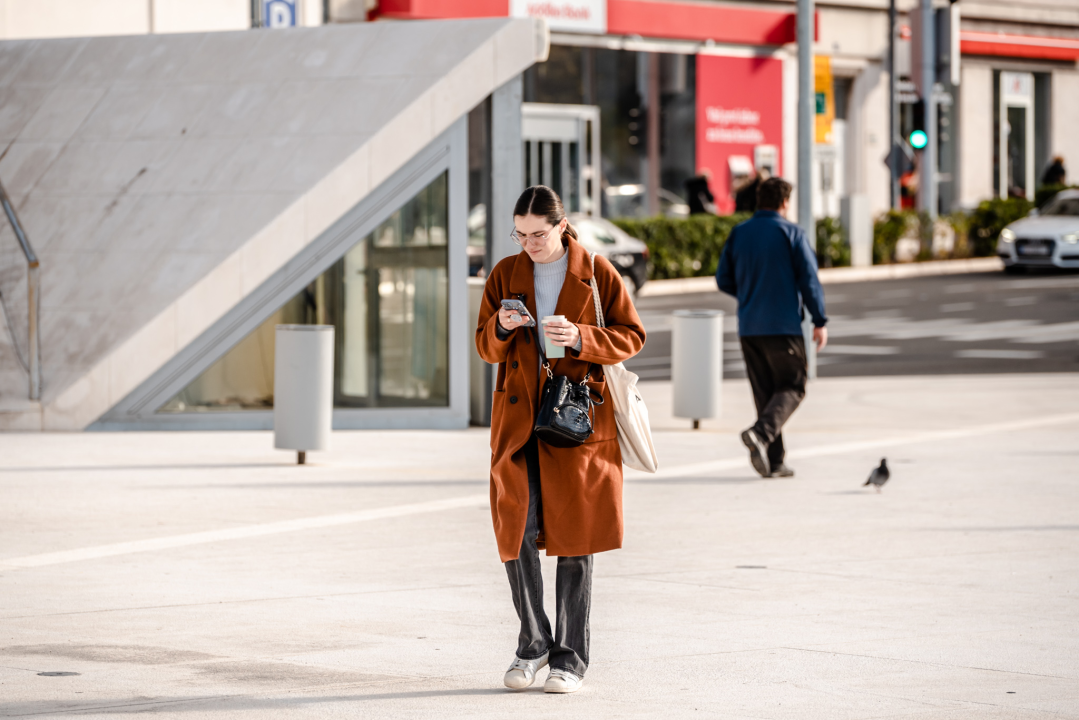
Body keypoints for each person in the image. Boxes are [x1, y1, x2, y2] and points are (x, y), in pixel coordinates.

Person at [475, 185, 646, 694]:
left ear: (561, 225)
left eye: (537, 233)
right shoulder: (506, 273)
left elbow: (632, 336)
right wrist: (503, 329)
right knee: (517, 534)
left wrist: (581, 337)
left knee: (576, 539)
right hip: (519, 421)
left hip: (577, 420)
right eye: (520, 233)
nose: (528, 242)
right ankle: (532, 646)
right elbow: (485, 347)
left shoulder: (596, 271)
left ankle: (570, 659)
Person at [715, 177, 828, 478]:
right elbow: (809, 281)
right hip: (783, 325)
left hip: (749, 326)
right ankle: (761, 434)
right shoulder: (791, 233)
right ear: (784, 203)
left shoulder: (739, 233)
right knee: (792, 386)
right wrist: (819, 320)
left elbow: (723, 278)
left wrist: (751, 294)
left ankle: (776, 461)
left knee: (765, 393)